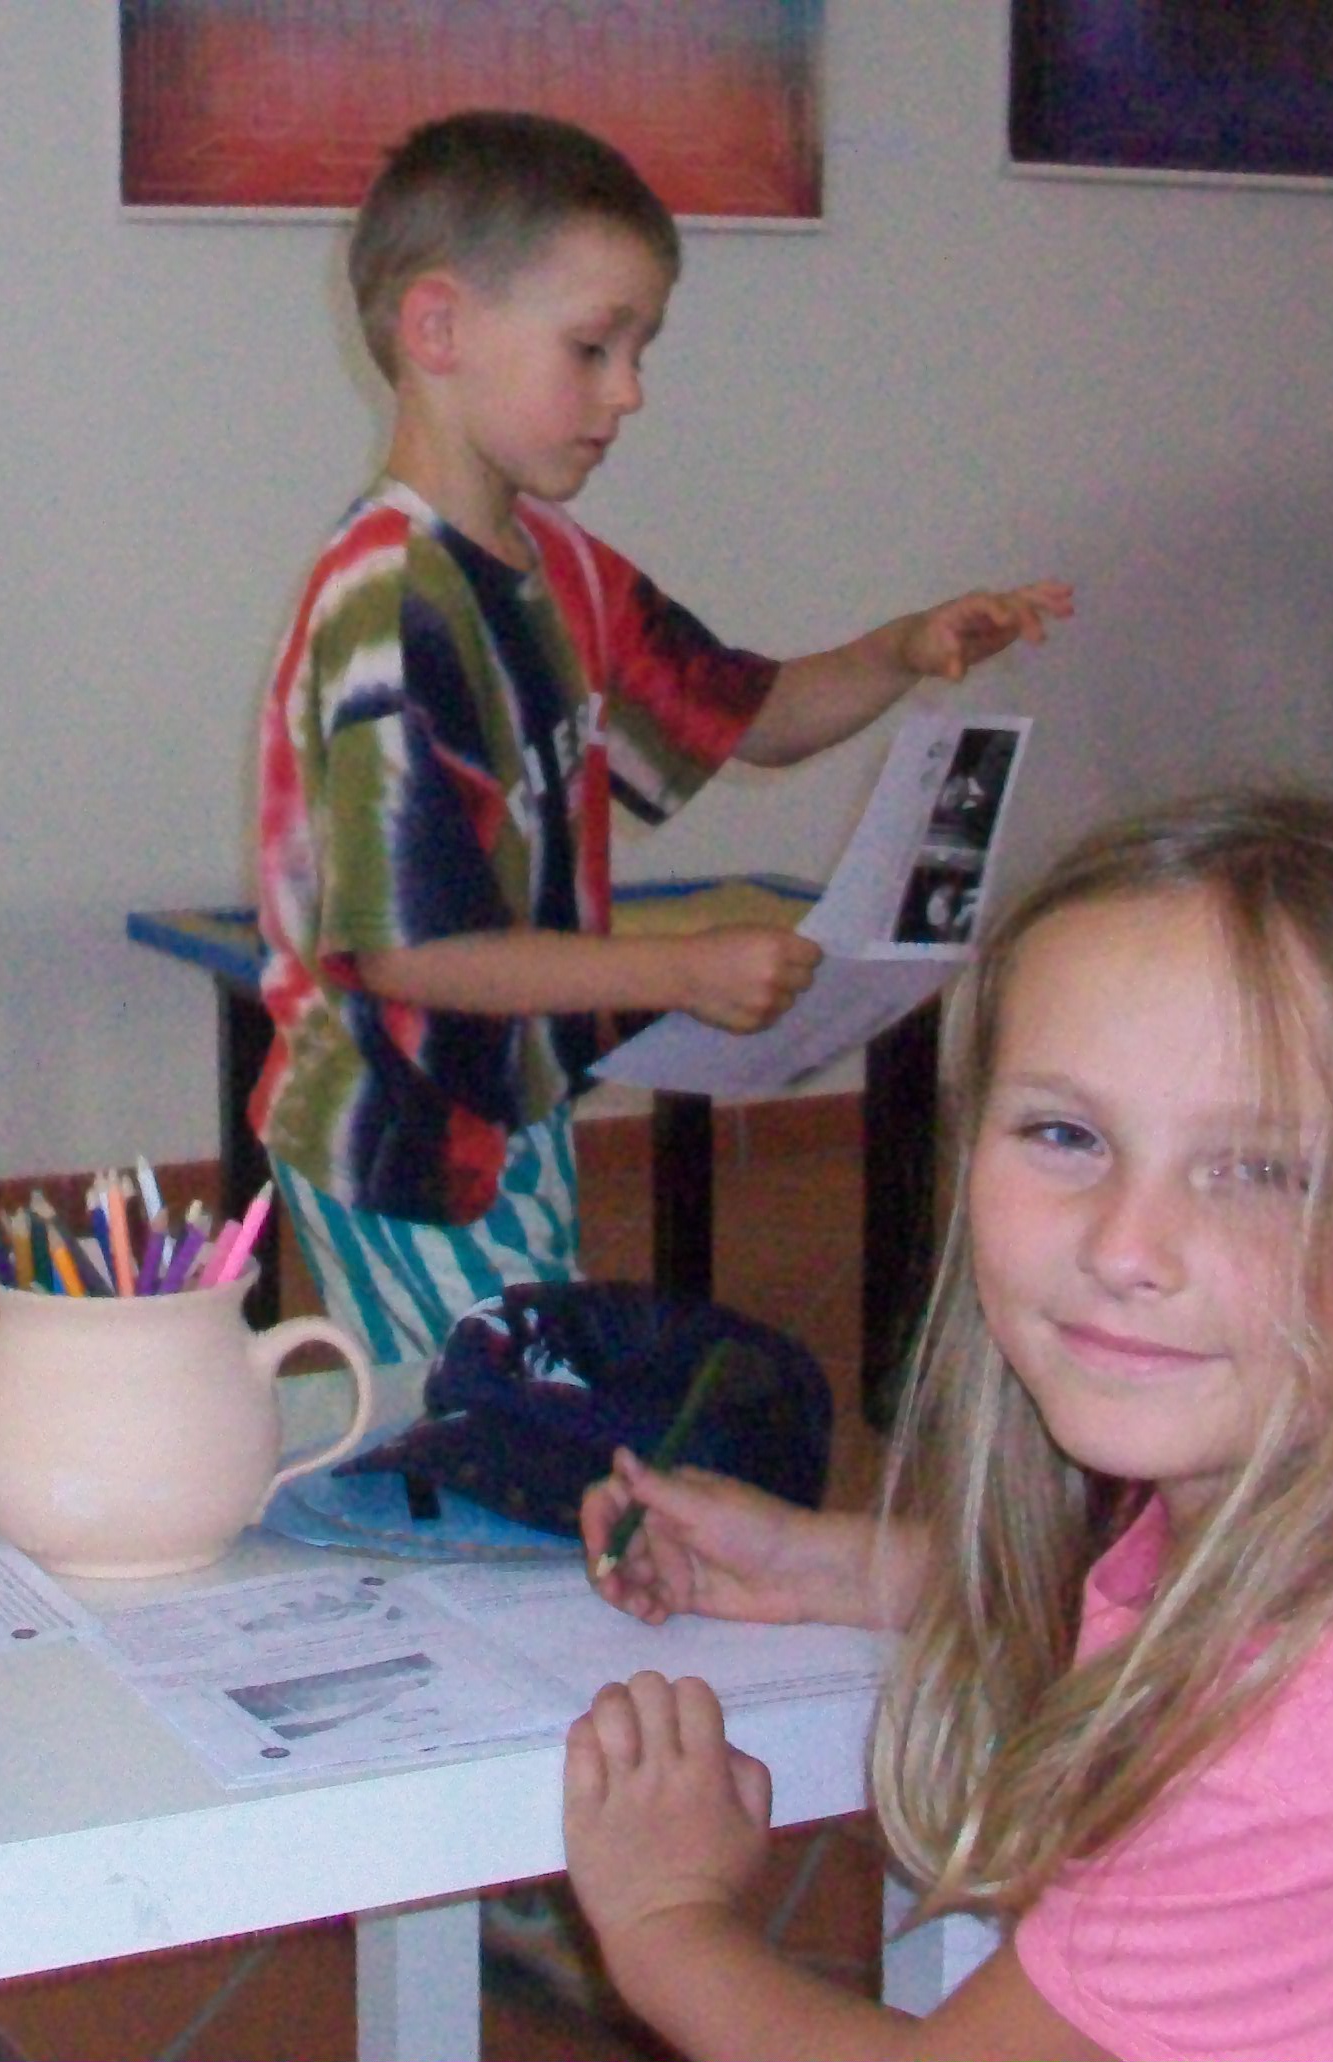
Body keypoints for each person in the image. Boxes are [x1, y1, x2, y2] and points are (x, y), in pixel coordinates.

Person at [562, 791, 1333, 2061]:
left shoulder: (1326, 1749)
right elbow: (1162, 1609)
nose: (1125, 1247)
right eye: (1065, 1134)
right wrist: (834, 1565)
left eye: (1259, 1170)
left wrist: (664, 1920)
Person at [249, 108, 1070, 1370]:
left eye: (638, 350)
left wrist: (902, 649)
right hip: (399, 1126)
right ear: (438, 329)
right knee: (499, 1415)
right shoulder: (390, 609)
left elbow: (752, 718)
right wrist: (676, 971)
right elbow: (411, 953)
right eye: (593, 346)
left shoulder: (558, 565)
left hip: (510, 1096)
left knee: (511, 1406)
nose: (628, 390)